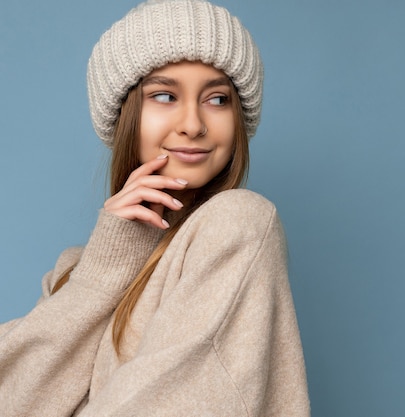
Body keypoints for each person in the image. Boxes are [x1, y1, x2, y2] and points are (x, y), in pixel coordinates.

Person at [0, 0, 310, 415]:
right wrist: (102, 272)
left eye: (217, 99)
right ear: (126, 114)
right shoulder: (73, 272)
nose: (193, 124)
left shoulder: (238, 225)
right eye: (165, 95)